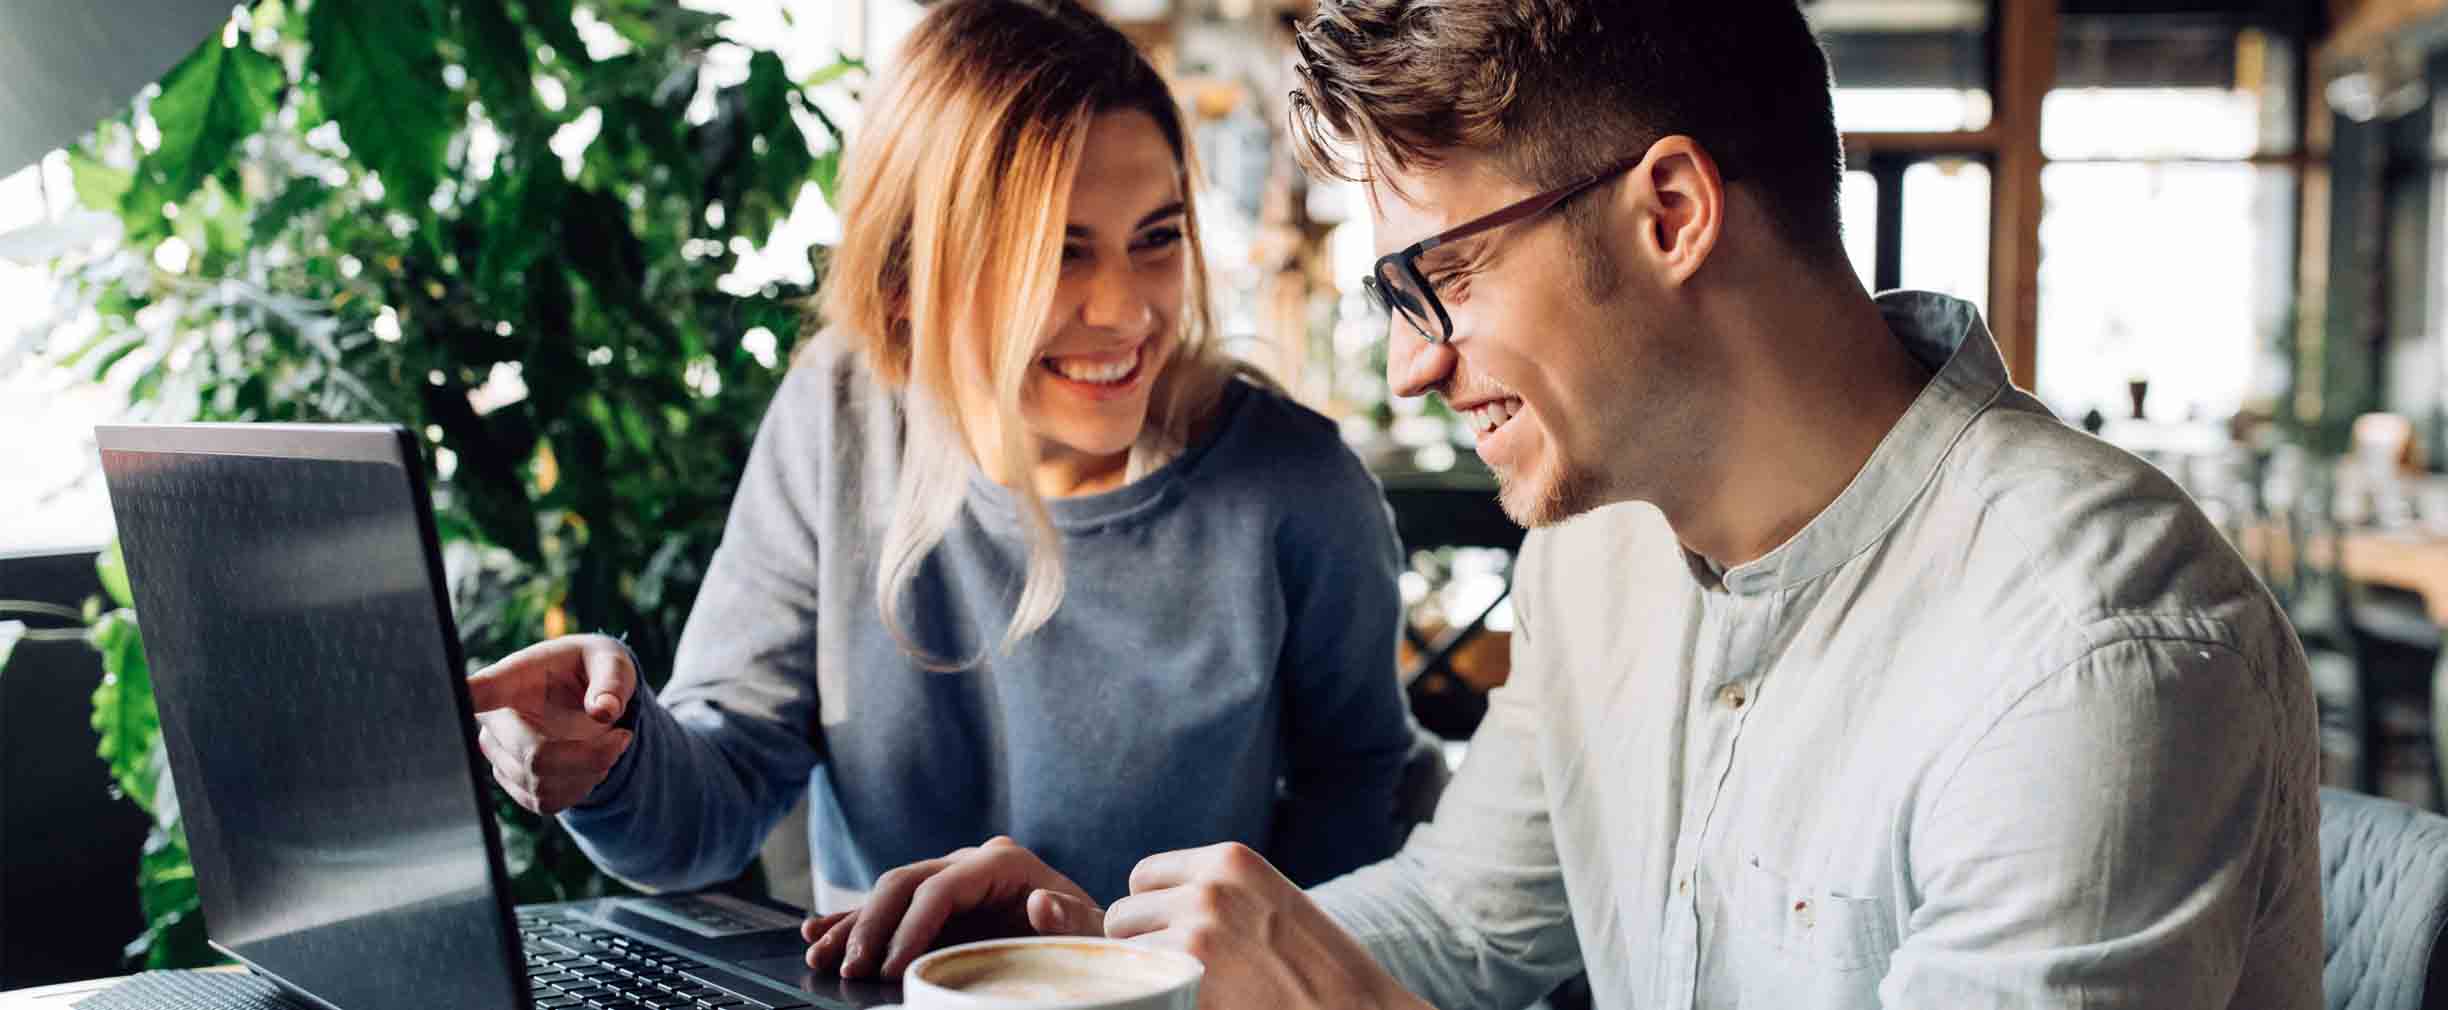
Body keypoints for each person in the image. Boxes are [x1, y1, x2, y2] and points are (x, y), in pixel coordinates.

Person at [808, 0, 2324, 1006]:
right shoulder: (1596, 553)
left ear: (1670, 211)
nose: (1408, 367)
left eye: (1437, 275)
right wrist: (1111, 960)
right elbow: (1469, 921)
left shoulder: (2093, 657)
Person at [461, 0, 1419, 953]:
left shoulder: (1298, 488)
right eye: (1058, 251)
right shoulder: (838, 413)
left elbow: (1357, 824)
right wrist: (611, 749)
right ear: (906, 280)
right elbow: (709, 808)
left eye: (1157, 238)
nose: (1126, 310)